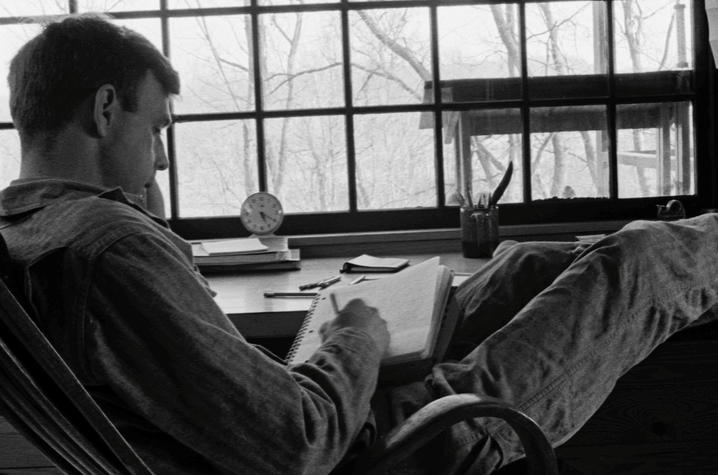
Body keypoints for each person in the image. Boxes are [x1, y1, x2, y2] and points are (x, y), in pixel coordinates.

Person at [2, 14, 718, 475]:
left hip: (304, 415)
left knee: (527, 261)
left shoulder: (37, 229)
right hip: (376, 450)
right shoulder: (113, 248)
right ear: (103, 109)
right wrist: (353, 339)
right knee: (640, 260)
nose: (160, 159)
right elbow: (298, 440)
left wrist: (339, 343)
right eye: (156, 129)